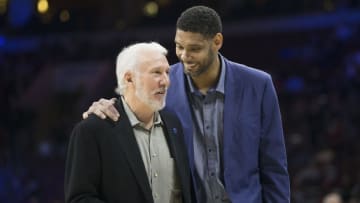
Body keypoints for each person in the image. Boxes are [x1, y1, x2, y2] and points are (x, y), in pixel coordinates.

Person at [83, 5, 290, 203]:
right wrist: (104, 106)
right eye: (179, 46)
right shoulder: (160, 84)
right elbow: (127, 108)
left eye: (194, 49)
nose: (184, 56)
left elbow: (274, 168)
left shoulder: (258, 85)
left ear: (217, 42)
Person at [64, 42, 193, 203]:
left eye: (167, 72)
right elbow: (80, 198)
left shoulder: (173, 123)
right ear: (129, 78)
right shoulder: (92, 130)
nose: (166, 81)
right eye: (156, 73)